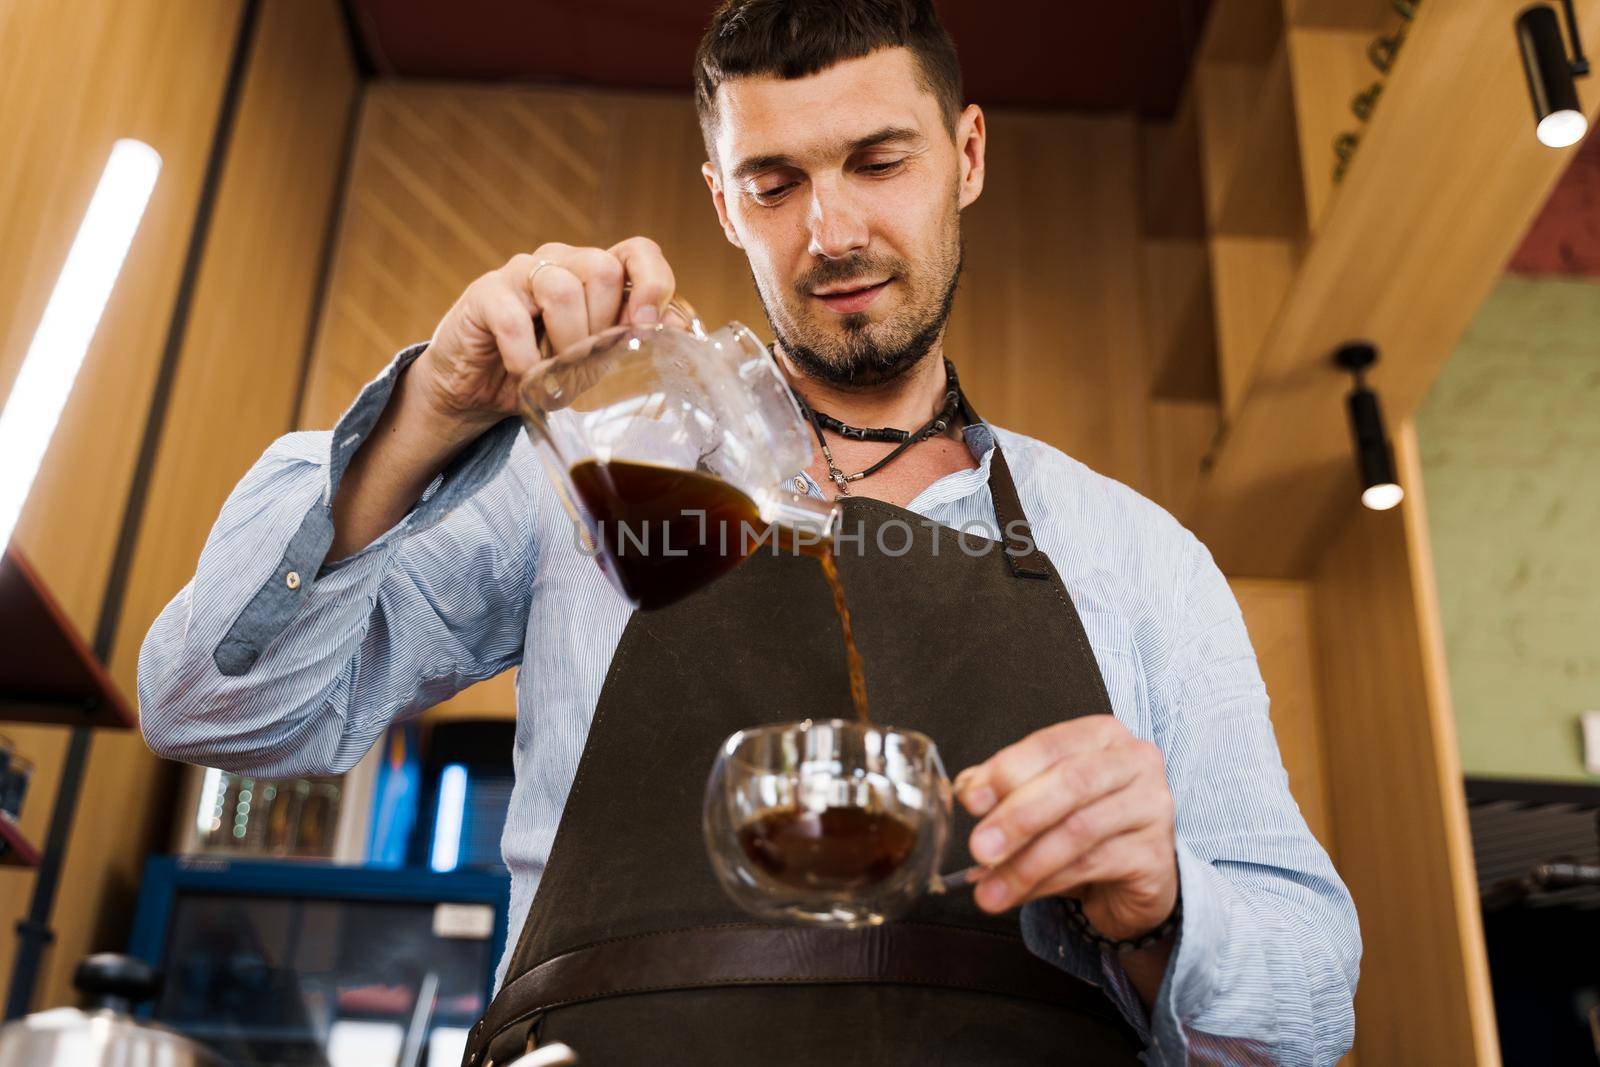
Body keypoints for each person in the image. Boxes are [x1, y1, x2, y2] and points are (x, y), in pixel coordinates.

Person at [138, 1, 1359, 1063]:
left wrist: (1160, 906)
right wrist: (424, 418)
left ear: (967, 153)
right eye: (774, 183)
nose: (829, 232)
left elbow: (1310, 1012)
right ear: (723, 200)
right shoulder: (590, 483)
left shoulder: (1135, 553)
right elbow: (210, 708)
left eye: (880, 161)